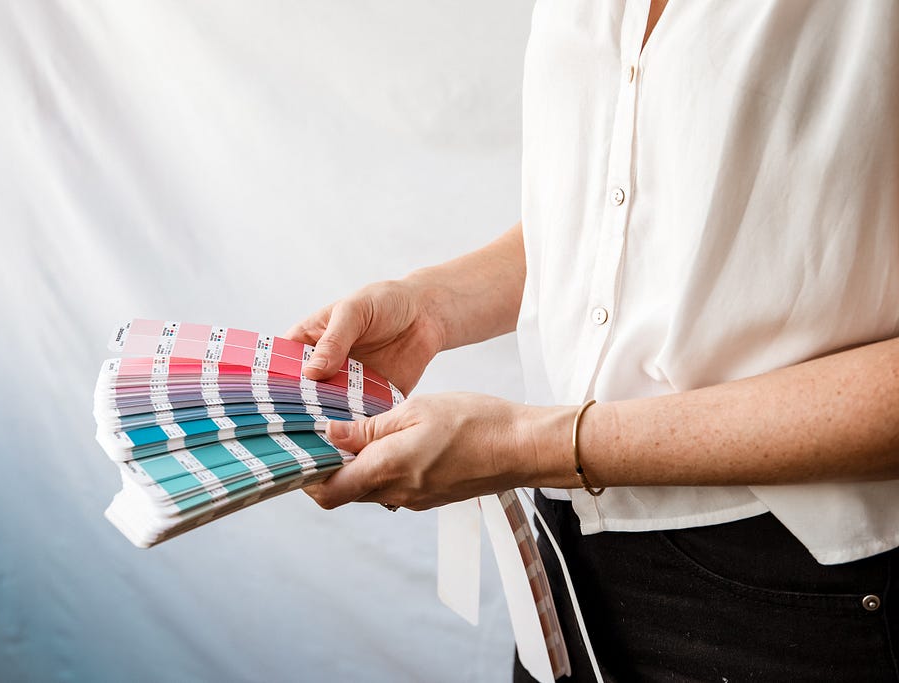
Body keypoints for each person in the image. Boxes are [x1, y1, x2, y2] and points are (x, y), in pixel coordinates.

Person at [288, 1, 899, 680]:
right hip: (569, 560)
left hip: (799, 593)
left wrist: (528, 444)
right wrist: (431, 305)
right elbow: (628, 204)